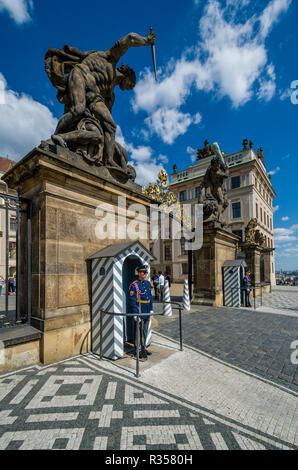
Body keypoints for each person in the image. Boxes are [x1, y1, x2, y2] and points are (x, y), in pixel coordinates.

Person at [129, 265, 153, 359]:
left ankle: (144, 347)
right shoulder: (134, 285)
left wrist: (151, 308)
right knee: (138, 331)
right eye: (144, 273)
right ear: (139, 273)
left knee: (145, 330)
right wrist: (135, 313)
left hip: (146, 310)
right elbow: (132, 300)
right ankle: (137, 349)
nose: (145, 274)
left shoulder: (147, 283)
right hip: (139, 310)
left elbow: (150, 297)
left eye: (146, 273)